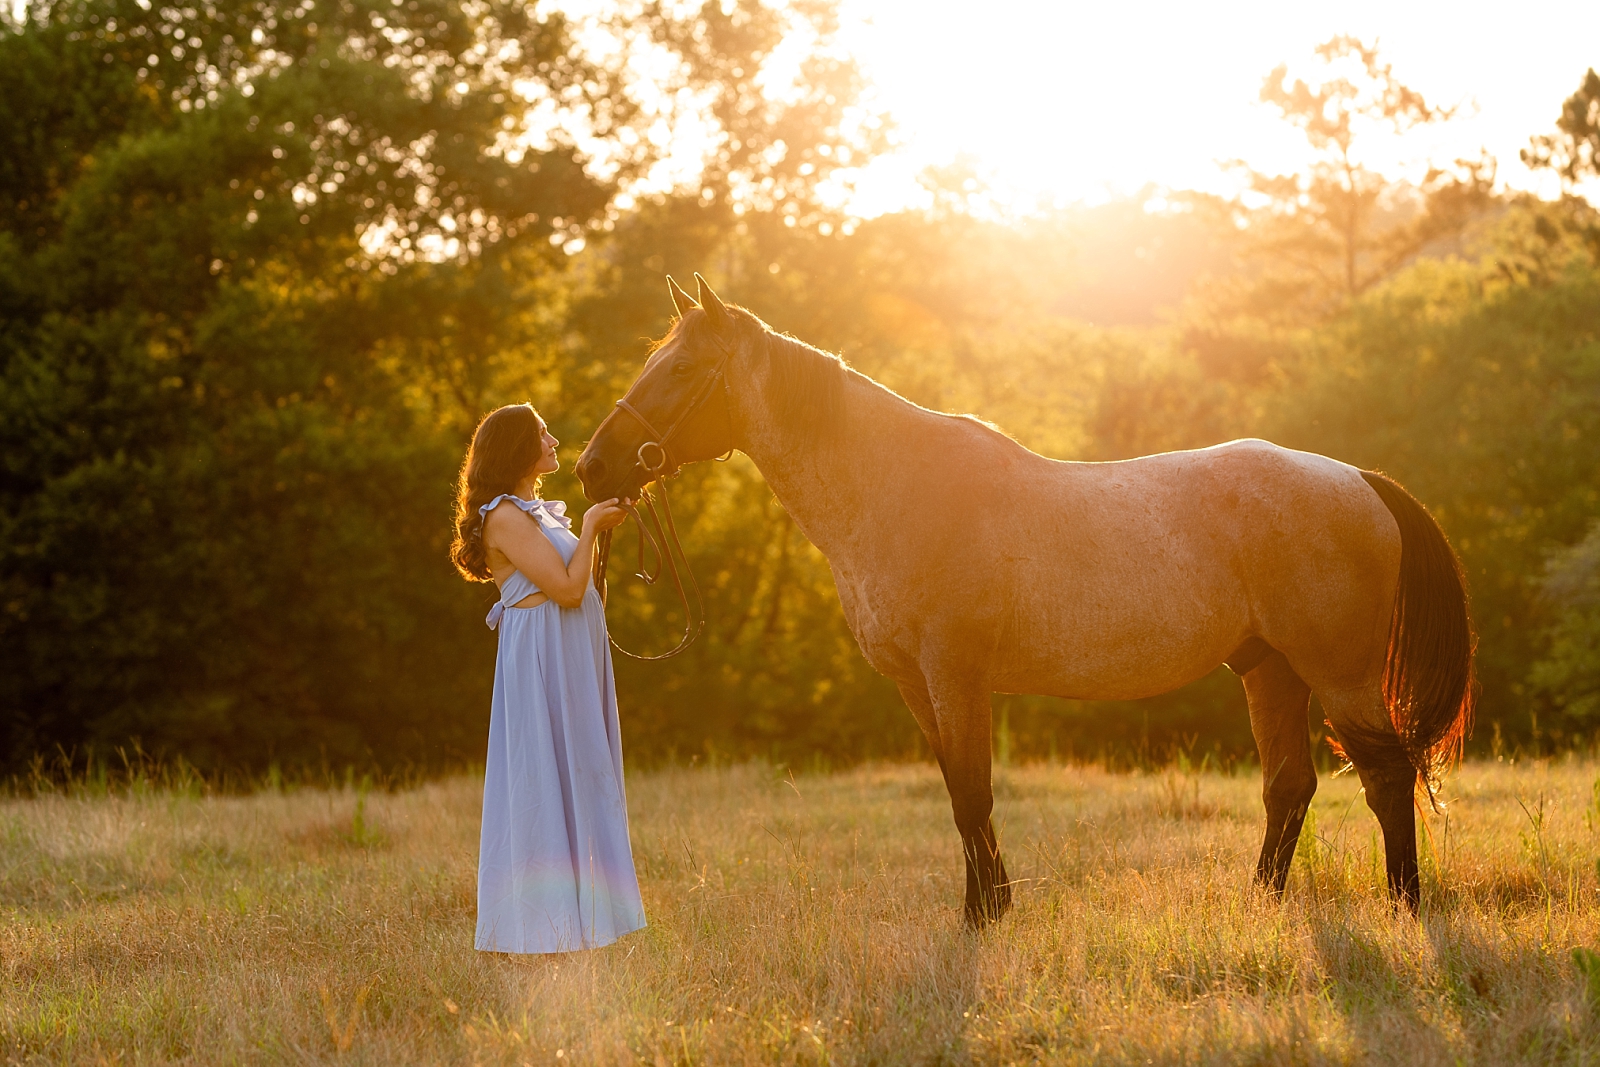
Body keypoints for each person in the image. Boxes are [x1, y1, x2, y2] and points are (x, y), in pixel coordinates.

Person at [449, 402, 644, 953]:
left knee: (581, 772)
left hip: (569, 649)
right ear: (517, 448)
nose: (555, 439)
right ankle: (541, 929)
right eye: (542, 434)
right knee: (545, 776)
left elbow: (578, 583)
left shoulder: (536, 511)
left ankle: (587, 921)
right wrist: (589, 527)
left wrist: (596, 531)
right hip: (543, 656)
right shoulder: (505, 517)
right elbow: (564, 589)